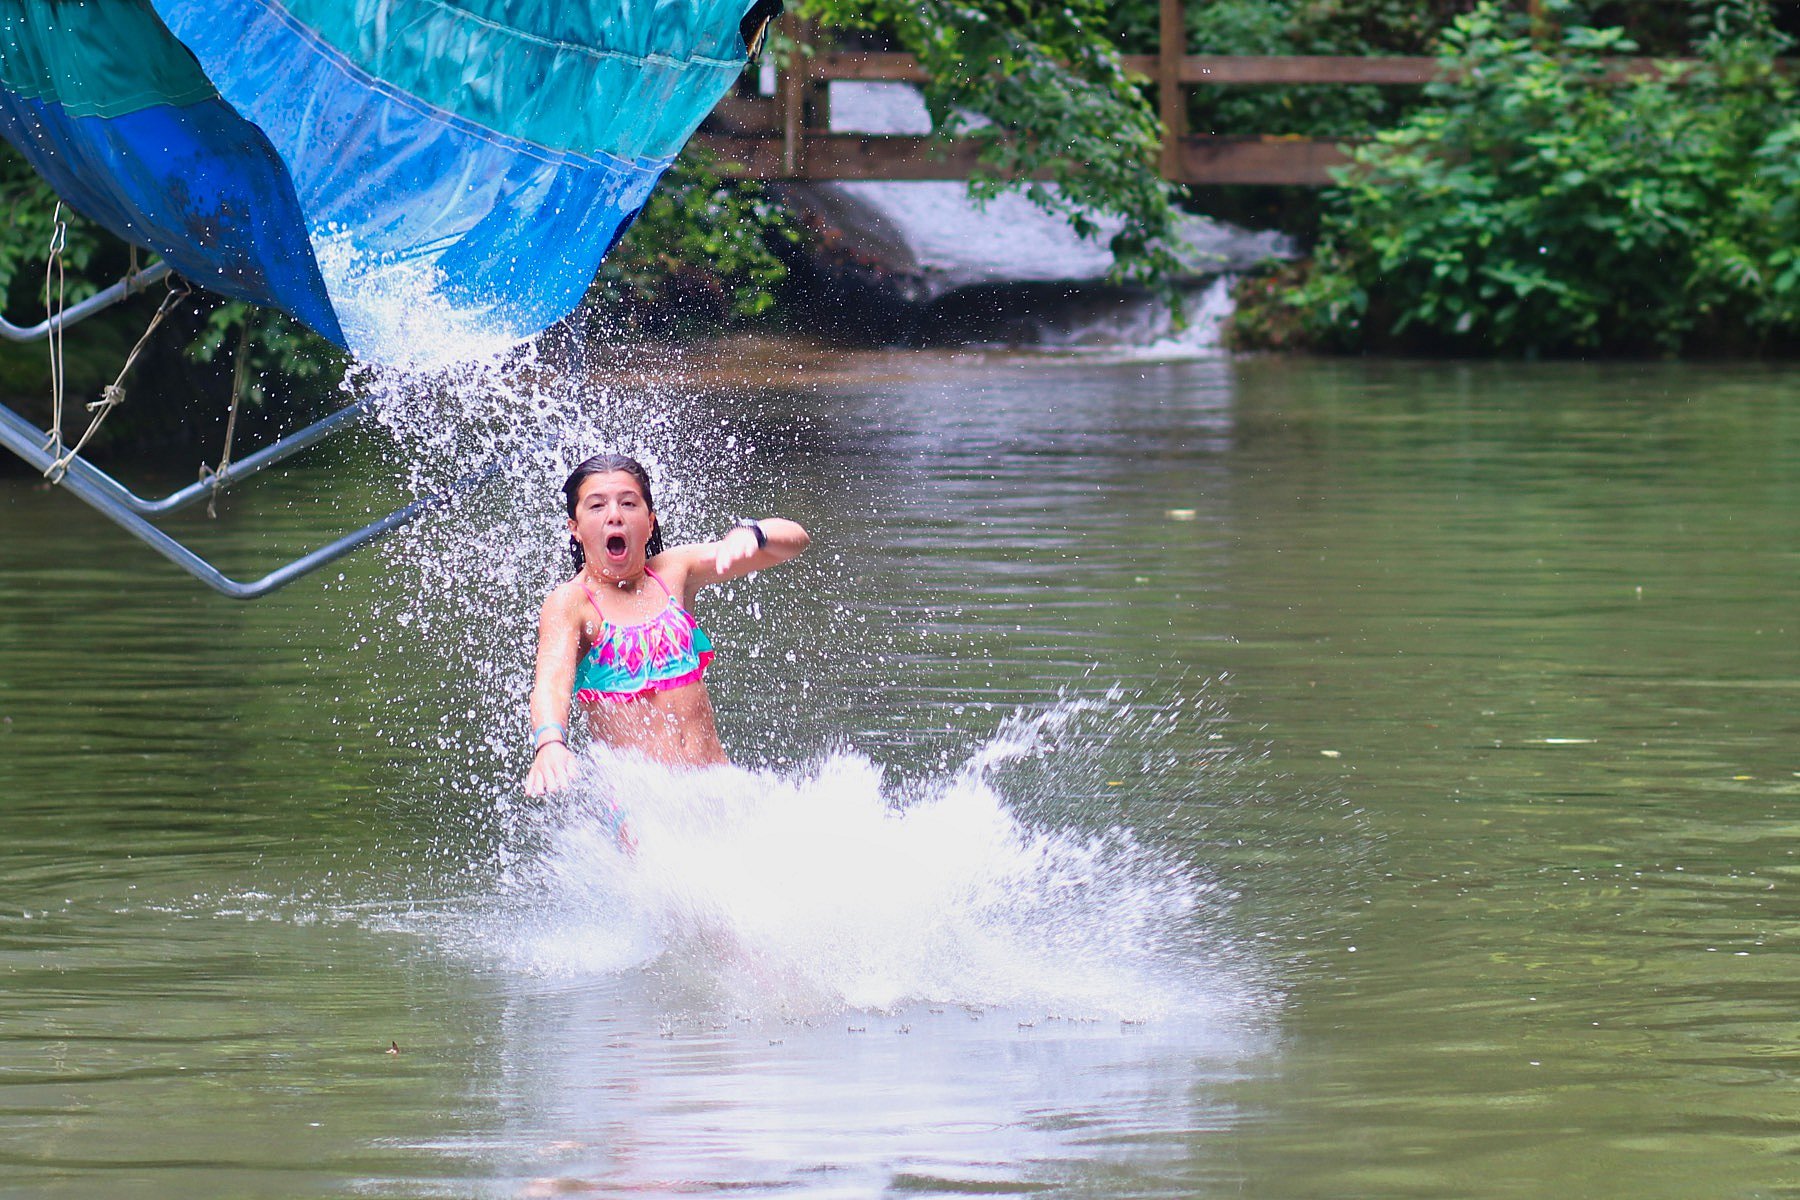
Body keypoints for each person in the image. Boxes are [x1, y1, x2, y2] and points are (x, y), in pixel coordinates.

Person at [524, 452, 809, 794]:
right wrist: (550, 743)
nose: (614, 515)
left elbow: (795, 542)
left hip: (718, 787)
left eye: (628, 504)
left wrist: (753, 533)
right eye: (597, 506)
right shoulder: (572, 602)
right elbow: (551, 683)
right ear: (575, 528)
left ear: (650, 521)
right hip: (644, 810)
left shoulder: (673, 573)